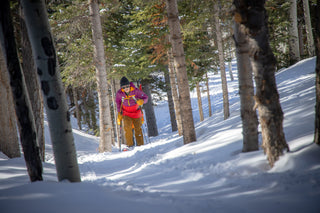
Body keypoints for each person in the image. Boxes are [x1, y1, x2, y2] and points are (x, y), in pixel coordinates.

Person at [116, 77, 148, 147]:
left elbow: (146, 97)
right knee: (127, 129)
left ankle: (140, 145)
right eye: (124, 87)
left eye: (127, 86)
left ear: (129, 85)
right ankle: (130, 145)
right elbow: (118, 103)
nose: (126, 88)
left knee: (138, 129)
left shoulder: (136, 91)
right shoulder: (119, 93)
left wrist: (142, 101)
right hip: (126, 113)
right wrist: (119, 113)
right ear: (122, 87)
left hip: (136, 113)